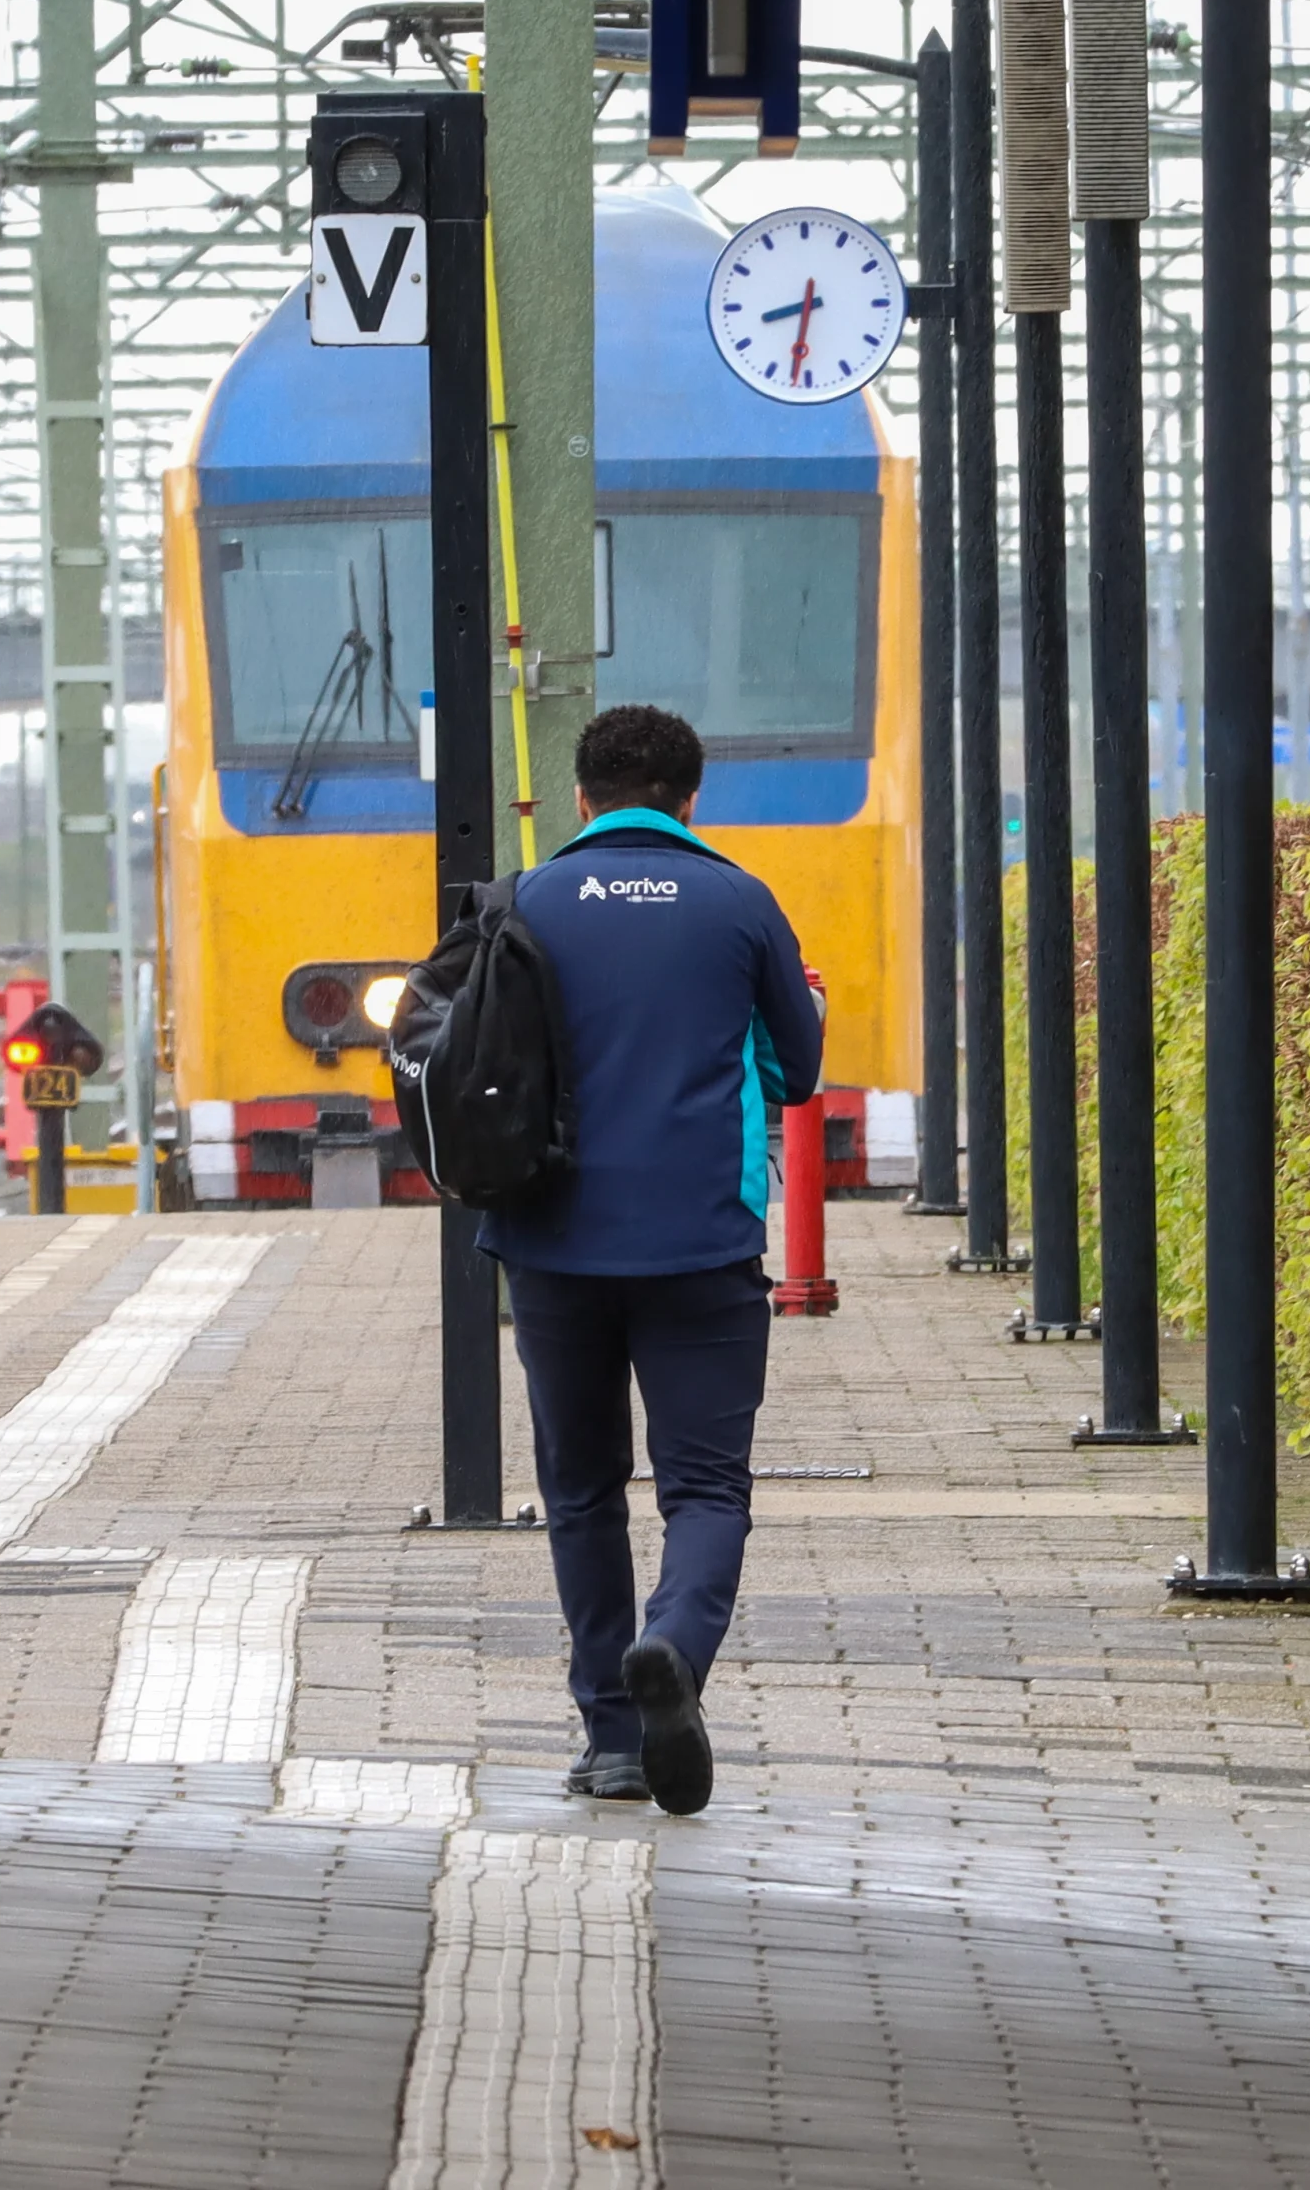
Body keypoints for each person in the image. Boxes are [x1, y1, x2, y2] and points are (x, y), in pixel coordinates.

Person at [483, 703, 824, 1815]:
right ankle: (672, 1643)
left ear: (581, 798)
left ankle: (615, 1739)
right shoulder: (740, 900)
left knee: (581, 1489)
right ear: (691, 800)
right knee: (706, 1486)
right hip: (703, 1242)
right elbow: (798, 1072)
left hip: (551, 1242)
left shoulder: (524, 901)